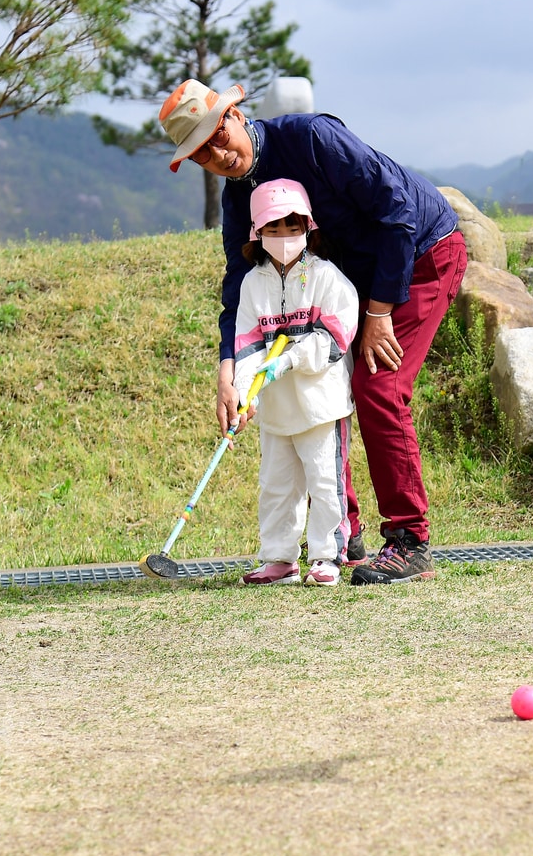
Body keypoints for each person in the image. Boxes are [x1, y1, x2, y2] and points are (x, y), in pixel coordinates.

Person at [158, 79, 467, 586]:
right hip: (349, 282)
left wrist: (379, 313)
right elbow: (239, 285)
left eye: (218, 136)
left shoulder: (312, 138)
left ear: (235, 116)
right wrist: (228, 371)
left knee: (377, 386)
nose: (218, 155)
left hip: (423, 254)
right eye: (201, 156)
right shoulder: (240, 198)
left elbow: (398, 213)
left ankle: (410, 543)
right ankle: (343, 535)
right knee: (321, 387)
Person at [231, 179, 358, 587]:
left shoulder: (326, 277)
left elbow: (336, 337)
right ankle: (279, 559)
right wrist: (242, 396)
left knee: (325, 481)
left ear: (308, 228)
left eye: (292, 227)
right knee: (276, 486)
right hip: (275, 410)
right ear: (257, 233)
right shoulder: (252, 285)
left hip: (322, 404)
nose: (284, 237)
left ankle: (327, 557)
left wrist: (288, 360)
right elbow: (247, 347)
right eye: (274, 228)